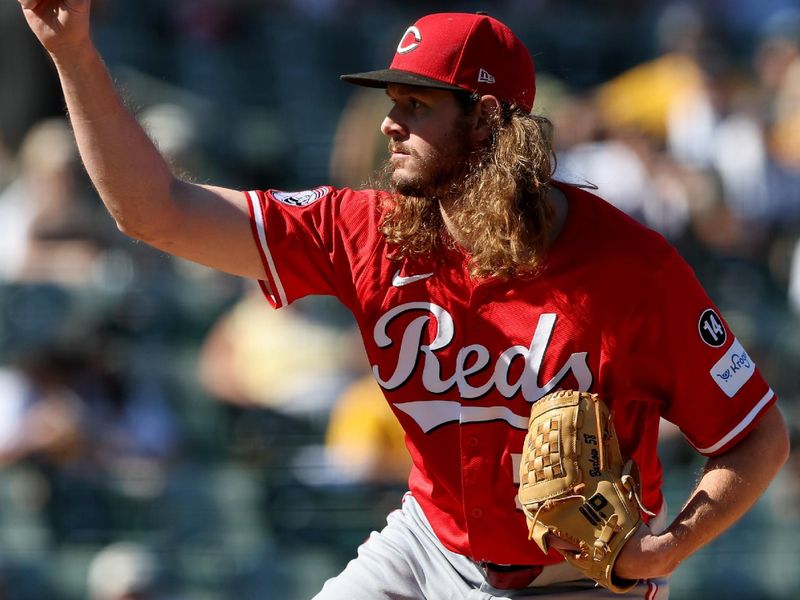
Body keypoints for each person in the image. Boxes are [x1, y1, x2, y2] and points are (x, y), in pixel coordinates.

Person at [16, 2, 790, 598]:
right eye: (393, 99)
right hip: (429, 543)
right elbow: (154, 212)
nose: (389, 120)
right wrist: (73, 53)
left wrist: (669, 549)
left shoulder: (630, 269)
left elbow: (756, 436)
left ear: (487, 121)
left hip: (573, 579)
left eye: (418, 104)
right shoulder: (368, 231)